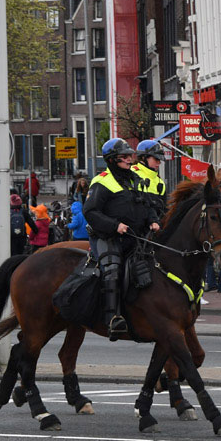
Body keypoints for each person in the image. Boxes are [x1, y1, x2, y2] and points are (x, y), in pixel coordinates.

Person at [83, 138, 161, 338]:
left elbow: (147, 204)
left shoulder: (135, 179)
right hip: (110, 237)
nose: (129, 160)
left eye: (130, 156)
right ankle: (113, 318)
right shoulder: (102, 181)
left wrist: (153, 220)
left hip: (136, 237)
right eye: (124, 157)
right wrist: (114, 226)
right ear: (111, 160)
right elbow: (90, 211)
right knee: (112, 269)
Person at [131, 139, 169, 219]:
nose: (159, 163)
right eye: (156, 159)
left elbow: (164, 208)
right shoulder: (131, 173)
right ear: (144, 157)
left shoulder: (160, 182)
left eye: (159, 160)